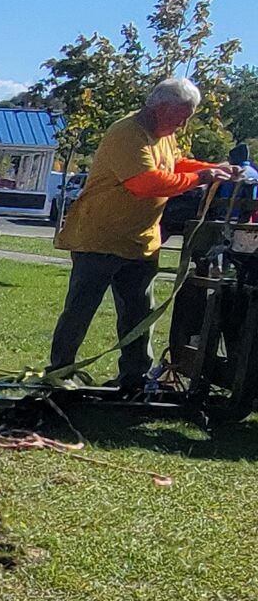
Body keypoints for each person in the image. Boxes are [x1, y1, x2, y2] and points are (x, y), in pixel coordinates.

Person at [50, 77, 234, 391]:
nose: (184, 124)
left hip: (140, 241)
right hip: (100, 238)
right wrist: (201, 177)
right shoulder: (127, 133)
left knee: (139, 315)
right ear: (161, 108)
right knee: (80, 310)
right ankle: (59, 372)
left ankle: (134, 378)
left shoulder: (163, 134)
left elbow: (173, 165)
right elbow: (144, 183)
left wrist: (215, 168)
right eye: (182, 115)